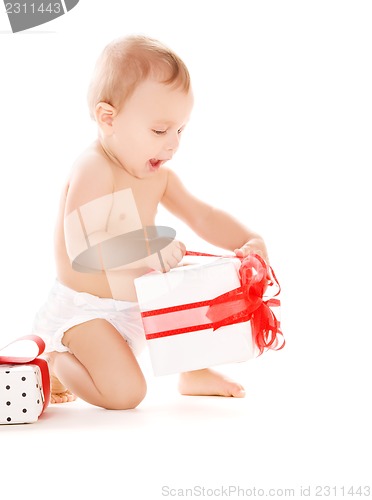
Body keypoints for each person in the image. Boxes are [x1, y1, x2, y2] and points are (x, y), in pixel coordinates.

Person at [32, 35, 269, 409]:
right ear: (108, 119)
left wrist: (248, 240)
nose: (173, 145)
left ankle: (193, 371)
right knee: (126, 394)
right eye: (160, 131)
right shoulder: (95, 168)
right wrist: (146, 251)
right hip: (87, 310)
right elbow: (83, 250)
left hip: (136, 304)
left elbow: (202, 214)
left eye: (180, 130)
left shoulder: (157, 177)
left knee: (198, 281)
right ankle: (57, 362)